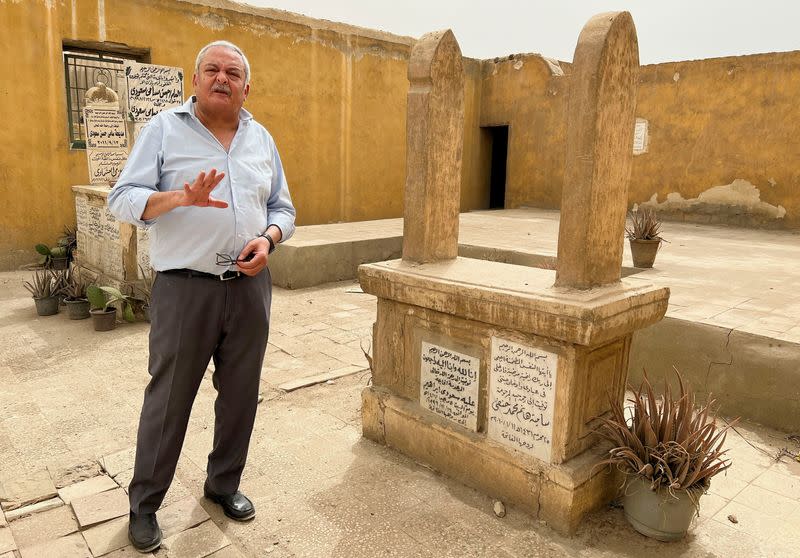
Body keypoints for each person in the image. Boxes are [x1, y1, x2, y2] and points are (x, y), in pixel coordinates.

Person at [107, 40, 295, 553]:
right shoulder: (164, 130)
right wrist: (179, 198)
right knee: (168, 401)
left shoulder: (262, 139)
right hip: (186, 290)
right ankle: (144, 505)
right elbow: (121, 199)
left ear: (246, 86)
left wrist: (269, 238)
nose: (221, 78)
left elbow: (283, 207)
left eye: (232, 72)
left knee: (239, 397)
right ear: (196, 80)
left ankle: (223, 485)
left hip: (250, 287)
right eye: (211, 69)